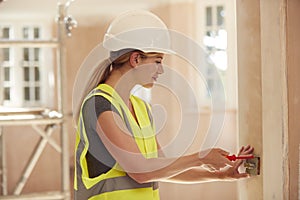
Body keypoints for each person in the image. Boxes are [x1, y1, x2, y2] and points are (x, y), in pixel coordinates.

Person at [73, 10, 254, 200]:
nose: (161, 70)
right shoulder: (99, 104)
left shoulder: (141, 108)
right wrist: (200, 158)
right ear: (136, 59)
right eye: (158, 61)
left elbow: (159, 168)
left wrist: (220, 175)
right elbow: (140, 172)